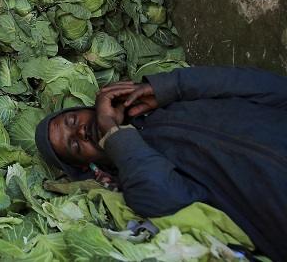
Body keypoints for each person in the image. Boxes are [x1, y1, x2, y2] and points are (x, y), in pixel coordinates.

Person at [35, 66, 287, 261]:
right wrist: (113, 133)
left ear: (90, 107)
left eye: (71, 121)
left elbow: (268, 86)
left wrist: (172, 86)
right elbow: (167, 198)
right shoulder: (136, 181)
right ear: (87, 166)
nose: (80, 132)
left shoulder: (168, 101)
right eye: (75, 147)